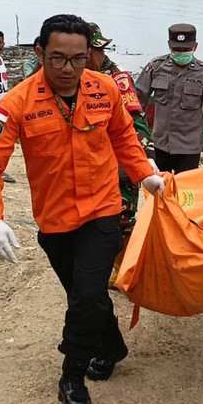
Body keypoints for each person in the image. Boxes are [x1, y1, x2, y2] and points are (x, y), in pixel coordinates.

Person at [0, 14, 164, 404]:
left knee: (88, 293)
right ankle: (112, 346)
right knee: (83, 294)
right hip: (55, 219)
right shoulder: (16, 103)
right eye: (57, 58)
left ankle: (71, 376)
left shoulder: (105, 88)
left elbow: (124, 137)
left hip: (102, 210)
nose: (68, 69)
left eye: (79, 59)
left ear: (89, 55)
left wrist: (145, 175)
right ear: (40, 52)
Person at [87, 22, 151, 284]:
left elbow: (137, 124)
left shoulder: (117, 79)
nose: (97, 55)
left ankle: (124, 269)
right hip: (92, 163)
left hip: (119, 161)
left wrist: (132, 161)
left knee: (122, 218)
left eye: (97, 51)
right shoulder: (77, 79)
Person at [135, 23, 203, 174]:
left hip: (189, 148)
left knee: (186, 191)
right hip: (161, 144)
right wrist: (136, 132)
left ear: (195, 46)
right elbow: (136, 100)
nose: (181, 53)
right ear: (169, 45)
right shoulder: (156, 67)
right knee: (160, 188)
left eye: (185, 49)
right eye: (176, 49)